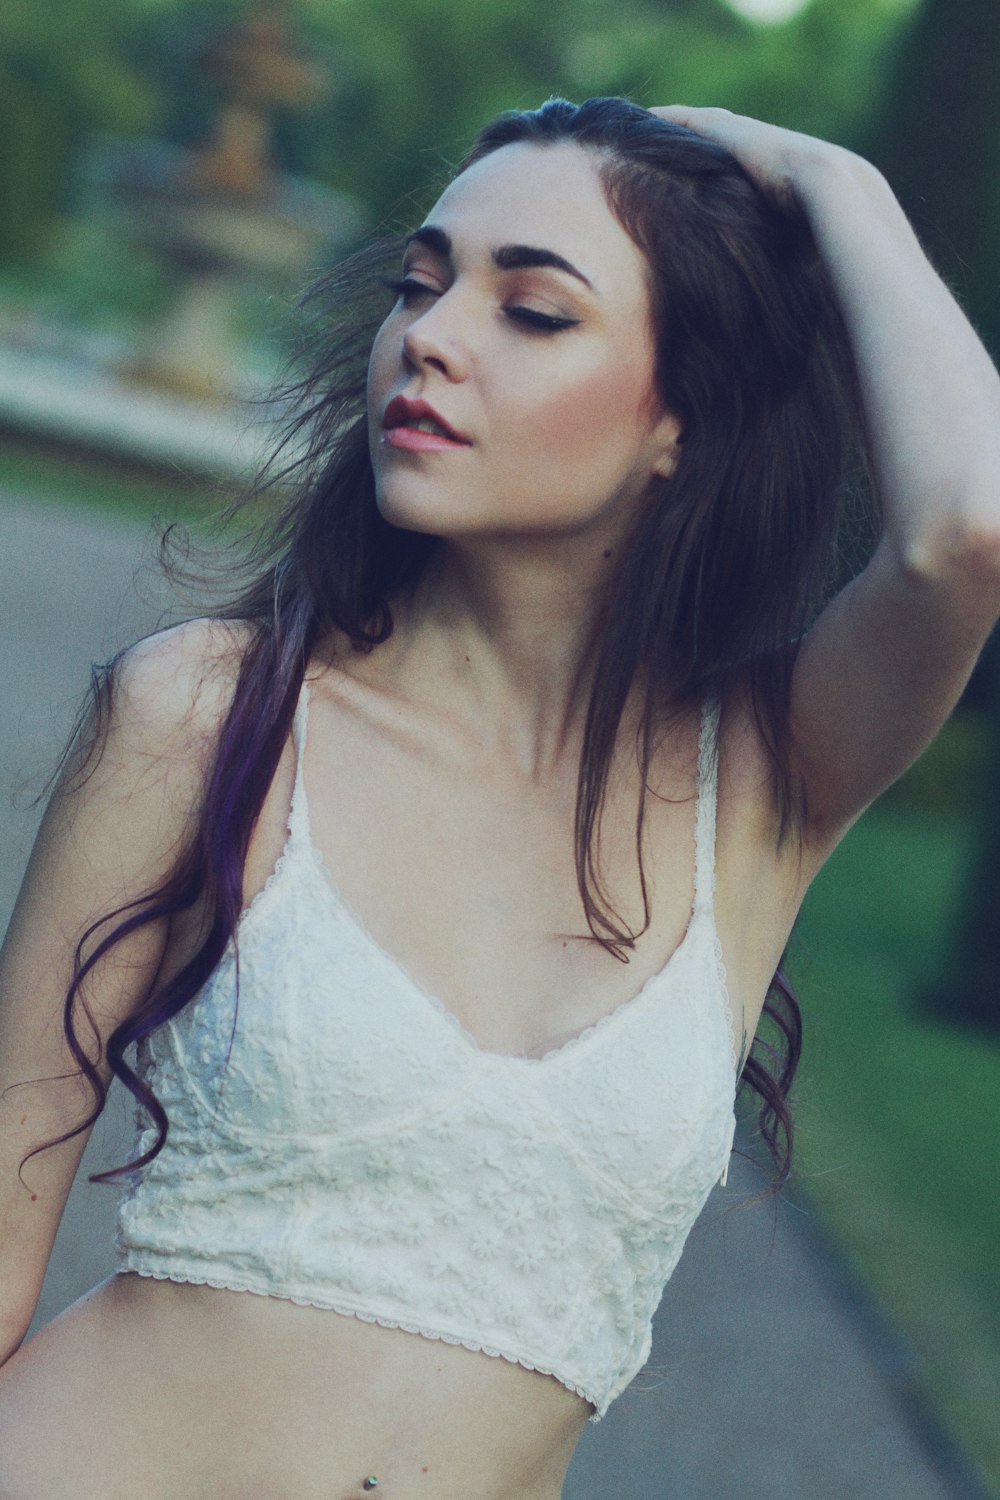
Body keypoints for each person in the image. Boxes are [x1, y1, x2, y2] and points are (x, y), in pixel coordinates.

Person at [1, 94, 999, 1500]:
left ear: (682, 421)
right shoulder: (207, 714)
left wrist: (822, 174)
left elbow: (968, 532)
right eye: (422, 285)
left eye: (532, 311)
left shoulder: (766, 784)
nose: (433, 336)